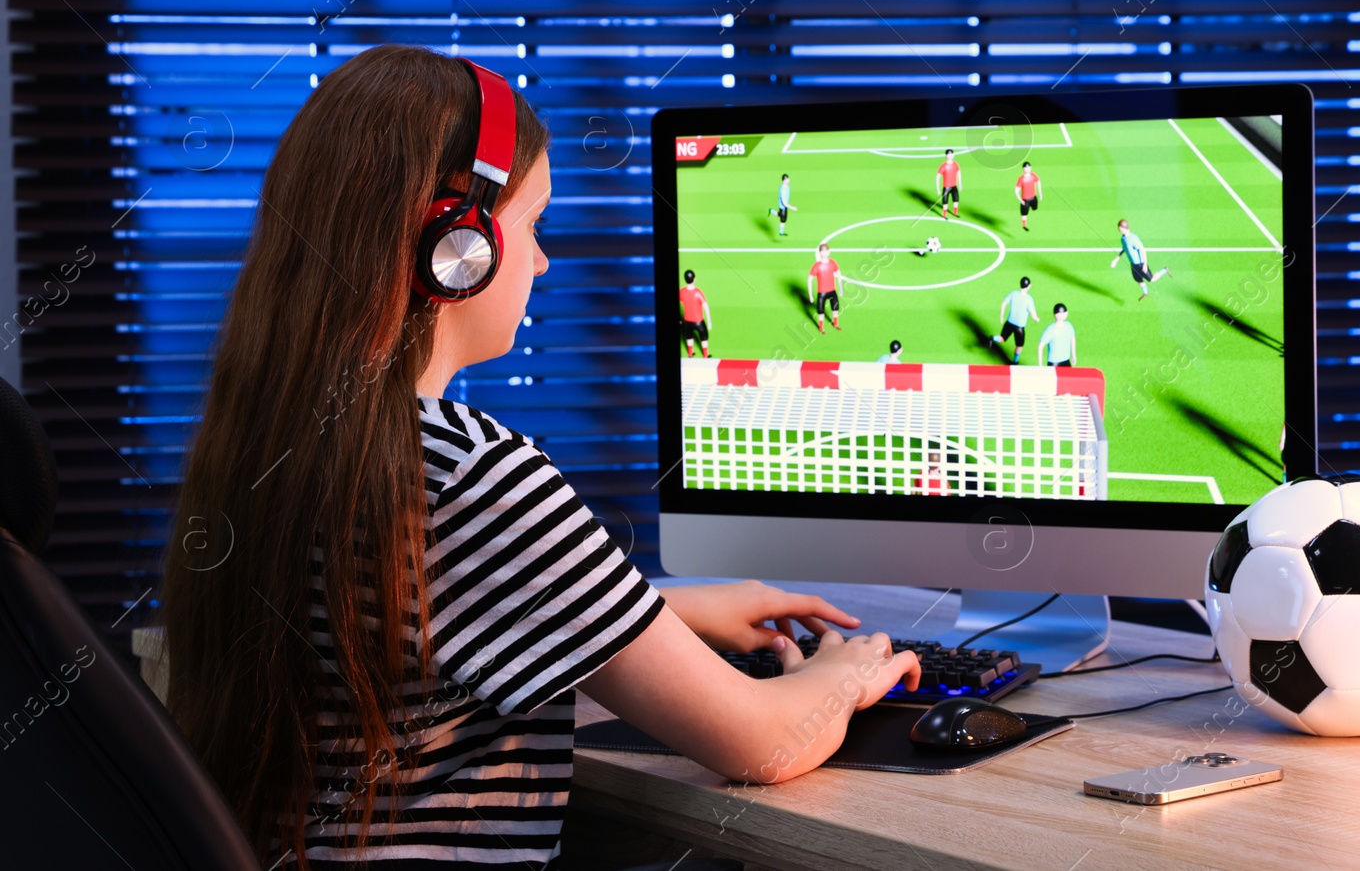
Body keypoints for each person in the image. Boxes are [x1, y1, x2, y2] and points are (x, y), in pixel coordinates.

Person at [158, 45, 920, 871]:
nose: (545, 261)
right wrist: (847, 671)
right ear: (459, 245)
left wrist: (665, 609)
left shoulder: (289, 441)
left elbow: (426, 613)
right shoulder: (471, 475)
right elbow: (767, 740)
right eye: (534, 224)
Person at [1109, 217, 1172, 301]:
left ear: (1124, 228)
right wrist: (1116, 259)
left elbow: (1143, 250)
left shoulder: (1133, 239)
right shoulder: (1123, 238)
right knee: (1138, 280)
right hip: (1133, 265)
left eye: (1119, 228)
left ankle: (1165, 270)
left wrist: (1145, 265)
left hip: (1141, 264)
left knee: (1151, 279)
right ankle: (1145, 293)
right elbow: (1124, 249)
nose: (1119, 230)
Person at [991, 275, 1039, 365]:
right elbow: (1033, 313)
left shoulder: (1013, 294)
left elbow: (1004, 303)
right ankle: (1015, 361)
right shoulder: (1029, 299)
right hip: (1019, 327)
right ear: (1029, 286)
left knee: (1002, 338)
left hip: (1009, 323)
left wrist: (1001, 316)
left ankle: (992, 338)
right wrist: (1036, 318)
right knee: (1019, 346)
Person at [808, 241, 845, 333]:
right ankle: (821, 327)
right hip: (822, 292)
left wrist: (841, 288)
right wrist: (810, 295)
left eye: (826, 251)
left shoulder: (832, 263)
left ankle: (835, 324)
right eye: (822, 251)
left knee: (835, 308)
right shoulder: (817, 266)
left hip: (832, 291)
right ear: (820, 253)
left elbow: (839, 275)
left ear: (829, 251)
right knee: (821, 311)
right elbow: (810, 279)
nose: (824, 253)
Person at [679, 268, 712, 358]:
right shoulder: (698, 293)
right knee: (704, 337)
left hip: (687, 321)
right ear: (694, 279)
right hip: (699, 321)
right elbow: (706, 307)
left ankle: (690, 354)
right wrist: (709, 322)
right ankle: (705, 355)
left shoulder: (682, 291)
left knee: (689, 337)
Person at [1037, 303, 1077, 367]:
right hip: (1054, 362)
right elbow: (1040, 347)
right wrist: (1040, 365)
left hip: (1066, 360)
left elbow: (1072, 338)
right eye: (1060, 313)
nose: (1063, 314)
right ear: (1055, 314)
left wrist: (1073, 355)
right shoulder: (1050, 330)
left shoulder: (1069, 326)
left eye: (1064, 312)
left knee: (1068, 376)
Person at [1015, 160, 1041, 232]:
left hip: (1033, 198)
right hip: (1025, 200)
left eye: (1029, 167)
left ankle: (1033, 207)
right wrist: (1021, 200)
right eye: (1026, 168)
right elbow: (1016, 190)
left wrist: (1040, 194)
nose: (1027, 169)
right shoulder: (1021, 179)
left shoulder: (1033, 176)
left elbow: (1038, 182)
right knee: (1024, 213)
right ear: (1023, 169)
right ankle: (1024, 226)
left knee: (1035, 208)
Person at [936, 148, 961, 220]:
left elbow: (958, 173)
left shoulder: (955, 164)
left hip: (954, 186)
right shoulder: (943, 166)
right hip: (946, 187)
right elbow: (938, 176)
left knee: (956, 199)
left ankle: (955, 213)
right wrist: (937, 188)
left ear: (953, 155)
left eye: (951, 154)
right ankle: (944, 215)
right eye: (948, 154)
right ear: (946, 155)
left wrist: (960, 184)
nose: (950, 156)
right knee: (945, 201)